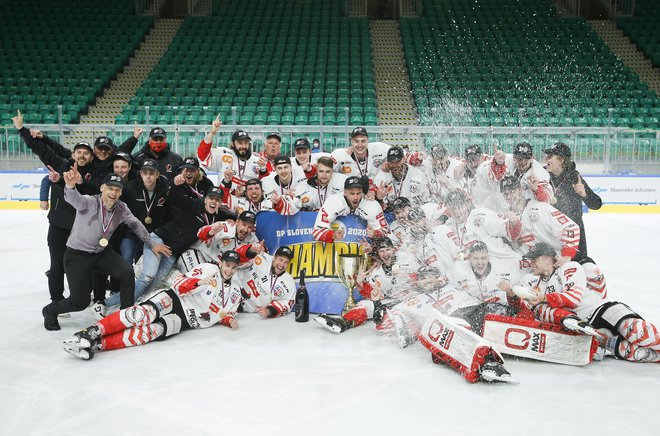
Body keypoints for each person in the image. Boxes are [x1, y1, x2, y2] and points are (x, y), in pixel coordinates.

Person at [41, 167, 170, 331]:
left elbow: (136, 224)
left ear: (121, 193)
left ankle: (126, 316)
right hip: (77, 256)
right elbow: (74, 199)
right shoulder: (89, 202)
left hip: (101, 253)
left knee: (126, 272)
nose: (113, 193)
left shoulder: (121, 208)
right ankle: (50, 311)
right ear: (102, 188)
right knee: (80, 302)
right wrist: (70, 187)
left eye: (117, 190)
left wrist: (152, 243)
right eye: (110, 188)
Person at [62, 251, 243, 360]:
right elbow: (180, 286)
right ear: (221, 262)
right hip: (175, 300)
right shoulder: (208, 269)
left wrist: (228, 320)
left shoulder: (235, 289)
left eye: (234, 268)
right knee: (139, 315)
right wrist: (199, 282)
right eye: (227, 265)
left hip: (186, 320)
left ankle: (98, 345)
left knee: (149, 333)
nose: (229, 270)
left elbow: (225, 312)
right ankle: (90, 333)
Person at [511, 242, 660, 362]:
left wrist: (544, 298)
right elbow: (529, 309)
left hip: (602, 310)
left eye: (534, 259)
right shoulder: (537, 284)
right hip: (588, 328)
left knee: (637, 331)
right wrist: (512, 296)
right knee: (633, 352)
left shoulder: (569, 267)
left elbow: (573, 299)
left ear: (547, 259)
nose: (531, 264)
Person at [500, 175, 580, 266]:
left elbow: (571, 227)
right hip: (530, 269)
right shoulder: (504, 216)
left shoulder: (540, 208)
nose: (509, 196)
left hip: (554, 263)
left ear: (520, 190)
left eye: (512, 191)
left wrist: (566, 256)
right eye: (505, 193)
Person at [543, 142, 602, 262]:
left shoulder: (574, 177)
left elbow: (596, 204)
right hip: (550, 233)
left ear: (561, 160)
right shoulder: (542, 174)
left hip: (573, 234)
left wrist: (584, 194)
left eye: (550, 156)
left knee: (577, 269)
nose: (546, 159)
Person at [474, 142, 553, 212]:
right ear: (514, 157)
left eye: (526, 159)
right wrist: (497, 163)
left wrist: (537, 189)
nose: (522, 162)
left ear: (532, 158)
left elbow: (548, 199)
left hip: (528, 211)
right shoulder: (506, 159)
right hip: (504, 204)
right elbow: (484, 160)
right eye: (519, 158)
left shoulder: (539, 173)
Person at [120, 159, 171, 264]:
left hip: (153, 234)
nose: (148, 176)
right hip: (131, 233)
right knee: (126, 260)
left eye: (152, 173)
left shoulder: (166, 190)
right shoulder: (129, 188)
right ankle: (127, 281)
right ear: (140, 174)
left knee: (144, 264)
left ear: (158, 174)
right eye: (145, 173)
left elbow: (170, 215)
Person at [312, 176, 388, 243]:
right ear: (345, 192)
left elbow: (386, 232)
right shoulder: (333, 202)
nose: (355, 197)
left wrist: (376, 234)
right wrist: (332, 235)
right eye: (352, 193)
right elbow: (317, 233)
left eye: (358, 193)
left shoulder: (371, 205)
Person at [197, 119, 267, 190]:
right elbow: (203, 156)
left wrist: (263, 170)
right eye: (240, 143)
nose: (243, 146)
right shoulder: (224, 154)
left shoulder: (257, 161)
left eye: (246, 143)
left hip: (247, 200)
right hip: (224, 199)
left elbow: (265, 185)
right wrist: (212, 132)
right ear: (232, 144)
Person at [178, 210, 259, 272]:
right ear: (237, 222)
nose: (245, 230)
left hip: (216, 268)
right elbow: (200, 233)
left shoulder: (253, 242)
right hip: (198, 254)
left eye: (249, 227)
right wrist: (210, 232)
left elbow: (243, 264)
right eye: (244, 225)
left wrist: (250, 253)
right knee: (195, 279)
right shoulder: (225, 226)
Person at [239, 246, 296, 318]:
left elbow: (286, 303)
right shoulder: (261, 257)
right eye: (281, 260)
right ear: (274, 257)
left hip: (250, 315)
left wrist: (270, 311)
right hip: (232, 301)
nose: (282, 265)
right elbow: (239, 262)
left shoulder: (289, 282)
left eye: (286, 262)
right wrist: (250, 251)